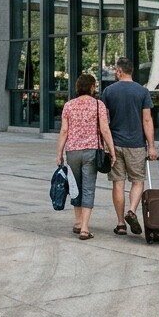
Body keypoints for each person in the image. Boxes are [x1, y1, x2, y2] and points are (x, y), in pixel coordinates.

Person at [54, 73, 116, 240]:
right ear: (92, 87)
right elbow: (104, 129)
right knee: (88, 188)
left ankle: (78, 221)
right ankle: (85, 229)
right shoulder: (98, 105)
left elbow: (64, 131)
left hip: (72, 151)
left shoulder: (68, 106)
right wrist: (112, 150)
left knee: (75, 187)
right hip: (91, 151)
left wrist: (59, 153)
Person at [101, 57, 156, 237]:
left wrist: (104, 144)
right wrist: (152, 146)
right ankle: (131, 211)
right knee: (138, 181)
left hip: (115, 144)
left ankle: (120, 224)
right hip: (136, 144)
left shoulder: (108, 91)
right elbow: (147, 120)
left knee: (118, 183)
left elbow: (103, 121)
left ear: (119, 71)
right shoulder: (142, 92)